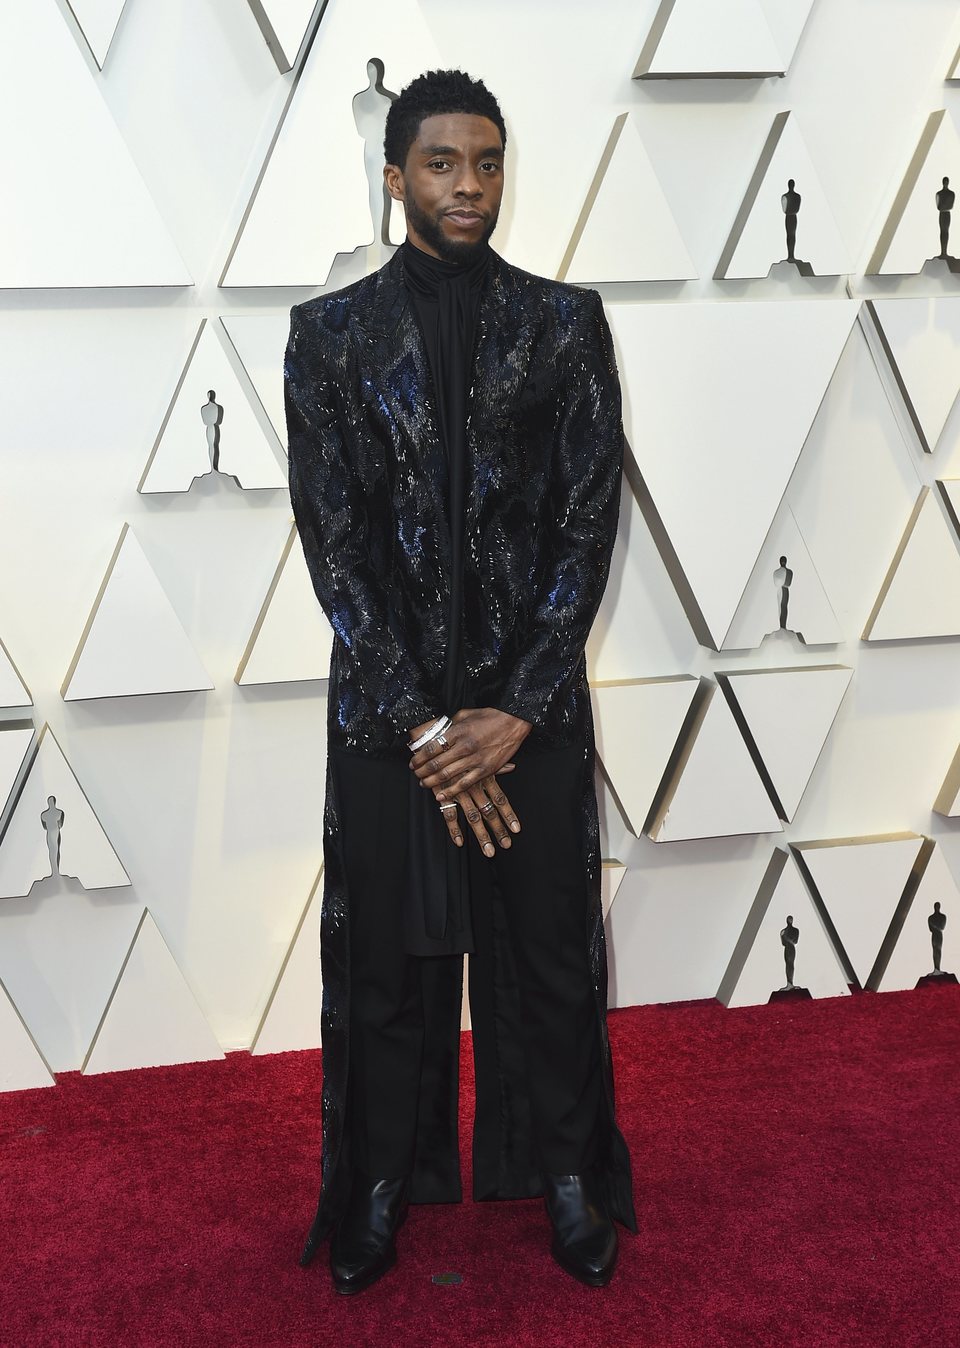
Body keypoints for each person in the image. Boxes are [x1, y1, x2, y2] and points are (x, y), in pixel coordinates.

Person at [284, 67, 636, 1296]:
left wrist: (517, 711)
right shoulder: (325, 338)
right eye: (442, 163)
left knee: (545, 954)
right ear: (395, 177)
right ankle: (381, 1184)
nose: (469, 185)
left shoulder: (564, 325)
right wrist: (432, 730)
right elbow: (335, 543)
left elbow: (587, 529)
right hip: (392, 725)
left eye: (487, 162)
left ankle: (570, 1178)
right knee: (389, 962)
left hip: (524, 713)